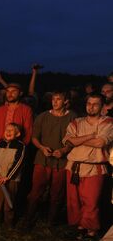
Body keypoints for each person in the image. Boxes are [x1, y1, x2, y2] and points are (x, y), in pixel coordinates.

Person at [63, 94, 113, 239]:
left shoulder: (108, 122)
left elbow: (100, 143)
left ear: (102, 106)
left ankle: (91, 231)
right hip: (73, 166)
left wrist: (77, 140)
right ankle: (80, 228)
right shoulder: (76, 122)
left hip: (94, 167)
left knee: (91, 201)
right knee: (74, 200)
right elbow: (67, 141)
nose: (91, 106)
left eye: (95, 104)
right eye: (89, 103)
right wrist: (90, 136)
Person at [24, 91, 75, 226]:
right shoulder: (43, 116)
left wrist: (64, 150)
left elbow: (75, 139)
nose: (55, 102)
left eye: (59, 99)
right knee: (36, 192)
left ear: (65, 101)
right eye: (53, 99)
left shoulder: (73, 117)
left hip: (62, 161)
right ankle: (28, 220)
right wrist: (41, 147)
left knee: (56, 195)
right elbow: (34, 137)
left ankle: (50, 223)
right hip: (43, 159)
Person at [0, 123, 26, 227]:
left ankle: (8, 225)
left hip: (11, 179)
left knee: (8, 203)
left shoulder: (20, 146)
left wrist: (8, 177)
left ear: (18, 134)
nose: (8, 132)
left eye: (11, 130)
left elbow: (18, 162)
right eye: (6, 130)